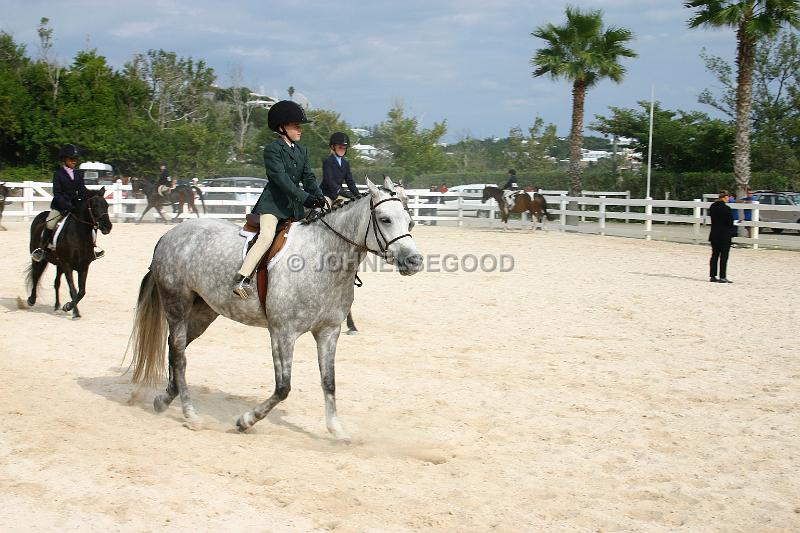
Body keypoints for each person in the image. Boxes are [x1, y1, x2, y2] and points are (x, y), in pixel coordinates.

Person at [233, 100, 325, 298]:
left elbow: (308, 177)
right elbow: (282, 180)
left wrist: (318, 195)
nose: (300, 129)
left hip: (294, 208)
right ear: (282, 127)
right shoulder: (272, 150)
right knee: (266, 236)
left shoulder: (302, 151)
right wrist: (305, 198)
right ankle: (243, 278)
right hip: (273, 205)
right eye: (296, 125)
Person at [32, 144, 104, 262]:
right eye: (71, 159)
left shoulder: (78, 174)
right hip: (60, 207)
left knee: (91, 222)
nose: (74, 161)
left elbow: (82, 191)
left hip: (76, 207)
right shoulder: (58, 174)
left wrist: (94, 194)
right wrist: (67, 206)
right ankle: (42, 249)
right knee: (50, 223)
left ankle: (92, 248)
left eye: (75, 159)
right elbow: (58, 193)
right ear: (65, 159)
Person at [321, 132, 360, 203]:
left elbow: (350, 181)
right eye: (340, 147)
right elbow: (329, 181)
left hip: (339, 195)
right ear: (333, 147)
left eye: (344, 148)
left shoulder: (346, 163)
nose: (342, 150)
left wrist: (357, 194)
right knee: (325, 207)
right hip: (327, 194)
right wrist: (340, 191)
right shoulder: (327, 161)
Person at [708, 189, 735, 283]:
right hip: (724, 235)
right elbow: (730, 222)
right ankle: (722, 276)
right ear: (725, 197)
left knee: (714, 255)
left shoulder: (712, 207)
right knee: (724, 256)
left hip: (714, 234)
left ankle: (712, 275)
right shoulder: (726, 209)